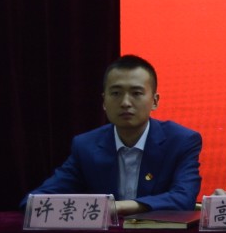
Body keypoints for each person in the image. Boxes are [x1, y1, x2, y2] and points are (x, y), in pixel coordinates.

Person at [26, 55, 202, 215]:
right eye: (116, 93)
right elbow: (35, 200)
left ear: (154, 101)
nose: (125, 103)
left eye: (136, 93)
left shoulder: (181, 141)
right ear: (104, 101)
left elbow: (184, 198)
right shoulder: (85, 145)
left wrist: (117, 207)